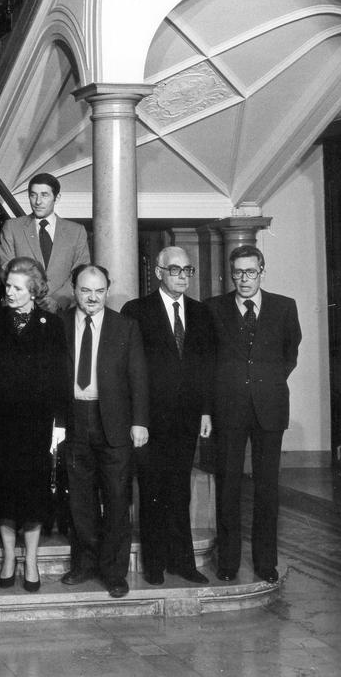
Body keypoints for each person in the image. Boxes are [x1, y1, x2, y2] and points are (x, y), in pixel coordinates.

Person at [206, 245, 301, 584]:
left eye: (250, 272)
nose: (244, 279)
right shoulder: (213, 308)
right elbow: (208, 360)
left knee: (267, 489)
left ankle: (265, 563)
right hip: (228, 408)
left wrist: (265, 383)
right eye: (237, 273)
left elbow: (290, 354)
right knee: (228, 486)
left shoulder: (284, 307)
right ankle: (228, 562)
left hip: (270, 408)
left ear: (262, 269)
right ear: (230, 274)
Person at [0, 257, 70, 593]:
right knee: (2, 493)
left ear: (33, 290)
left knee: (32, 495)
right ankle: (7, 558)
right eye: (8, 286)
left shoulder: (52, 325)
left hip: (36, 424)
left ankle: (30, 559)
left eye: (17, 287)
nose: (10, 292)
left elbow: (60, 378)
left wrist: (59, 422)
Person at [121, 246, 214, 585]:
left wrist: (205, 411)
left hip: (187, 417)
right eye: (174, 269)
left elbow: (206, 368)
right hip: (149, 420)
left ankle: (183, 562)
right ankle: (155, 563)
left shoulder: (201, 313)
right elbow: (131, 369)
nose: (181, 276)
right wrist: (137, 419)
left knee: (180, 490)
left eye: (187, 270)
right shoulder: (136, 311)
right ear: (159, 271)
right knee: (151, 488)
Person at [59, 263, 149, 599]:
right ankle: (84, 564)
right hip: (74, 418)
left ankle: (114, 572)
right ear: (75, 290)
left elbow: (138, 377)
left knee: (115, 499)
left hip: (113, 422)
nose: (92, 297)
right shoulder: (62, 324)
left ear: (107, 291)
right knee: (79, 499)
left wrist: (140, 422)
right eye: (85, 290)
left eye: (99, 290)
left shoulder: (125, 326)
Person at [0, 173, 90, 312]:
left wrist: (58, 300)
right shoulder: (12, 227)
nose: (38, 201)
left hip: (63, 312)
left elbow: (80, 272)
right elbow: (6, 267)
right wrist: (33, 298)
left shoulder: (76, 231)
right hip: (21, 309)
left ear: (57, 198)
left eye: (44, 195)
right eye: (33, 195)